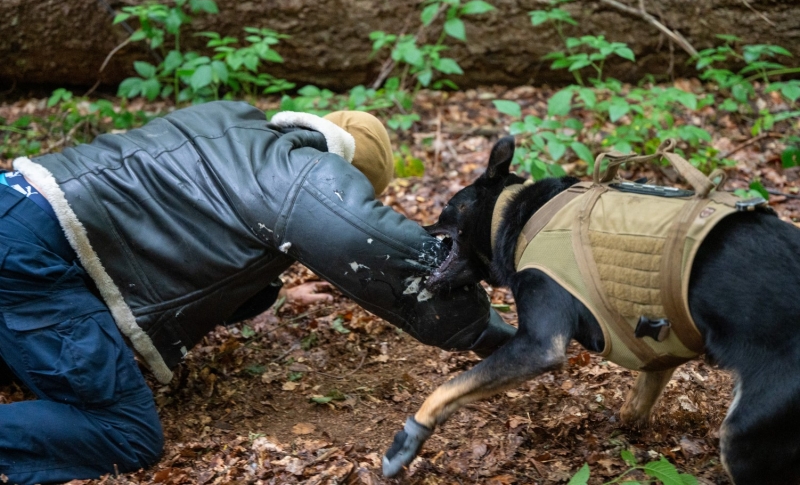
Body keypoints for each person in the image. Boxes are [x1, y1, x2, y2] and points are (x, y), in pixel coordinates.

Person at [0, 101, 515, 484]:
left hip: (16, 210)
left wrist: (273, 291)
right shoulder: (302, 175)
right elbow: (375, 244)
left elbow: (174, 223)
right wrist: (485, 331)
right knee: (123, 433)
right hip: (28, 258)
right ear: (346, 171)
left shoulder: (235, 127)